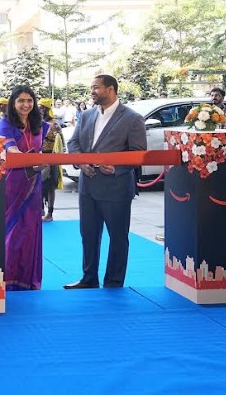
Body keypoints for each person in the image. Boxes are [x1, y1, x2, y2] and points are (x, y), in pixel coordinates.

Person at [64, 74, 146, 290]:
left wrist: (117, 168)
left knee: (118, 238)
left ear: (111, 89)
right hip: (87, 187)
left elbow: (138, 153)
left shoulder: (132, 118)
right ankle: (88, 278)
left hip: (116, 188)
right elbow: (73, 143)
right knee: (88, 235)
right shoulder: (86, 115)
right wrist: (81, 163)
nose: (92, 91)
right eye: (91, 87)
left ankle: (114, 282)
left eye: (96, 88)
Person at [0, 86, 48, 290]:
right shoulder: (6, 124)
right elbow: (12, 150)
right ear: (13, 103)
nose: (26, 105)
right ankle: (7, 279)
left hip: (33, 184)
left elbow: (45, 149)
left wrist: (44, 161)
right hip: (12, 183)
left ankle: (27, 279)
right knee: (12, 231)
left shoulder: (42, 125)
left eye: (29, 100)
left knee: (30, 230)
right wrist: (32, 161)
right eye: (21, 101)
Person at [38, 98, 64, 223]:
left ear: (48, 109)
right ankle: (41, 210)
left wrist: (58, 132)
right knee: (39, 186)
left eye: (43, 108)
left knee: (50, 187)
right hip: (39, 157)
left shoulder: (54, 124)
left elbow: (61, 142)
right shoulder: (37, 123)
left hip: (51, 157)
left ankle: (50, 213)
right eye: (39, 107)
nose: (41, 110)